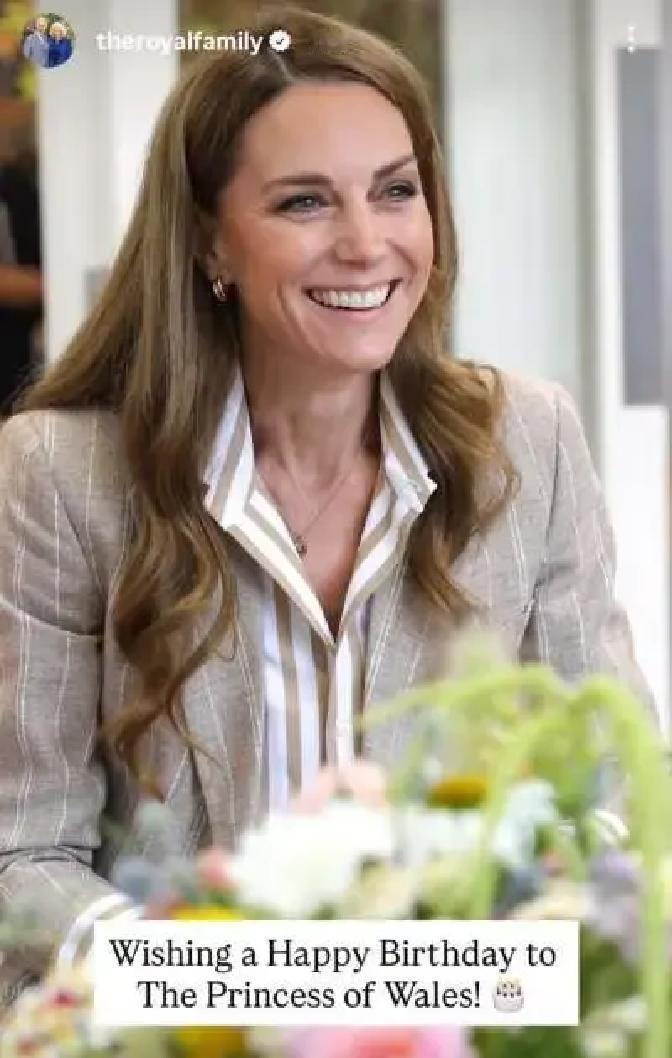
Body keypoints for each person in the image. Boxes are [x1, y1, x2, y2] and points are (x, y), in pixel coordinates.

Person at [0, 4, 655, 1005]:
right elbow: (24, 853)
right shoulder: (62, 473)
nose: (366, 242)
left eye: (396, 191)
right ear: (210, 244)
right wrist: (260, 994)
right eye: (305, 202)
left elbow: (620, 789)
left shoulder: (529, 439)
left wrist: (474, 961)